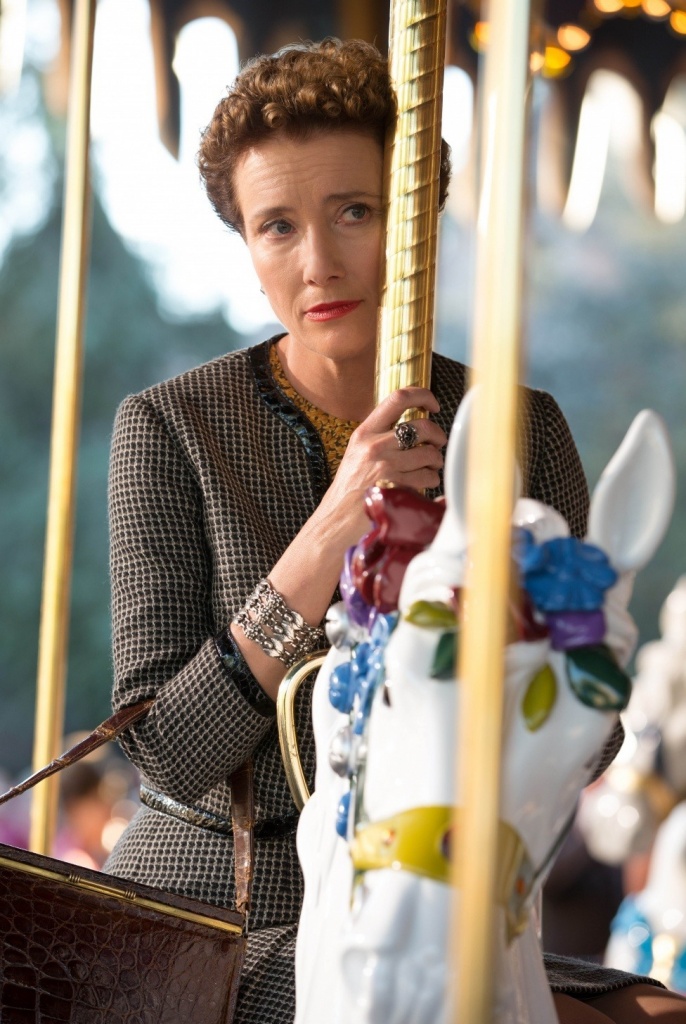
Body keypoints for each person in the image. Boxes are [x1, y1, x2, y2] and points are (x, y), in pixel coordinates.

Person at [104, 37, 685, 1023]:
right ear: (247, 247)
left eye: (354, 212)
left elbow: (590, 739)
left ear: (414, 221)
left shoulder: (519, 430)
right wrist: (332, 529)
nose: (318, 263)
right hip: (226, 911)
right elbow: (166, 749)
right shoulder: (172, 428)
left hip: (441, 898)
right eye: (277, 227)